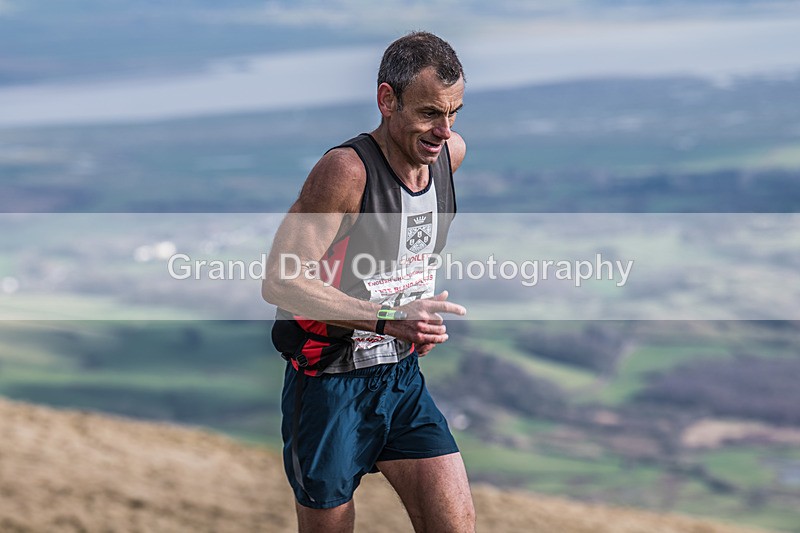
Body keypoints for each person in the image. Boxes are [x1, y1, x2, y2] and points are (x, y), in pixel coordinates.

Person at [262, 31, 475, 533]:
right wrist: (390, 318)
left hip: (399, 379)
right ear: (387, 100)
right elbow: (280, 280)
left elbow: (393, 254)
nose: (443, 130)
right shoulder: (346, 171)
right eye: (428, 113)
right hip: (328, 385)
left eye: (454, 113)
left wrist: (411, 315)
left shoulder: (450, 155)